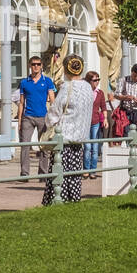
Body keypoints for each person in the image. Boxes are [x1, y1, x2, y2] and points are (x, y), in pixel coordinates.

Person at [41, 55, 94, 205]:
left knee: (59, 172)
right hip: (80, 137)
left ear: (66, 69)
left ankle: (58, 200)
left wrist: (50, 123)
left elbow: (55, 111)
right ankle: (74, 199)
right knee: (74, 173)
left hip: (65, 136)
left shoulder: (67, 86)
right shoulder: (88, 87)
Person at [16, 55, 56, 177]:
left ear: (42, 66)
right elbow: (21, 102)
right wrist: (19, 121)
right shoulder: (24, 82)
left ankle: (43, 173)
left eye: (38, 64)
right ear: (30, 66)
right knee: (25, 145)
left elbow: (52, 101)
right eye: (33, 64)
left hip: (43, 116)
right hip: (27, 117)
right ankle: (24, 173)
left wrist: (53, 118)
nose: (36, 66)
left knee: (44, 146)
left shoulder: (47, 81)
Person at [84, 71, 106, 179]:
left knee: (95, 147)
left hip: (96, 122)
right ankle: (86, 169)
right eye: (95, 80)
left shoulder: (100, 93)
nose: (97, 82)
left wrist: (105, 119)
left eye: (98, 80)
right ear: (89, 81)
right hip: (85, 122)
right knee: (87, 147)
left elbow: (104, 107)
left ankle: (93, 170)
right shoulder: (84, 92)